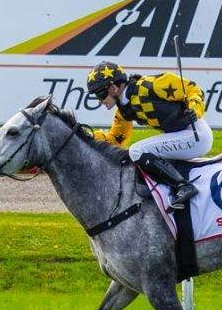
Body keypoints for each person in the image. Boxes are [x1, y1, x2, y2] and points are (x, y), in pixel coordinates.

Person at [86, 61, 211, 211]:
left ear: (114, 87)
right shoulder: (123, 111)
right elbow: (116, 139)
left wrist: (194, 109)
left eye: (100, 94)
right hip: (183, 136)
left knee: (137, 150)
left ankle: (183, 186)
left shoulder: (150, 85)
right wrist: (87, 136)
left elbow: (193, 89)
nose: (100, 101)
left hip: (196, 135)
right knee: (138, 152)